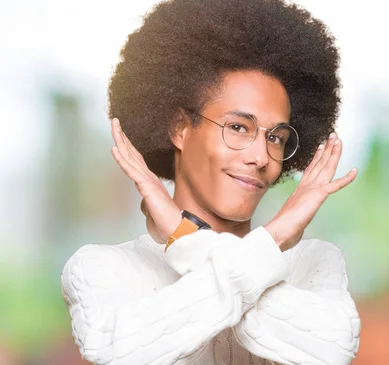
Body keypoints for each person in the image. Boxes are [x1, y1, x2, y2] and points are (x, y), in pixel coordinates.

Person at [60, 0, 361, 364]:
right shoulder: (102, 267)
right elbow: (120, 354)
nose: (261, 157)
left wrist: (185, 237)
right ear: (180, 128)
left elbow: (333, 351)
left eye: (276, 137)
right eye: (238, 127)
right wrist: (272, 240)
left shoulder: (314, 263)